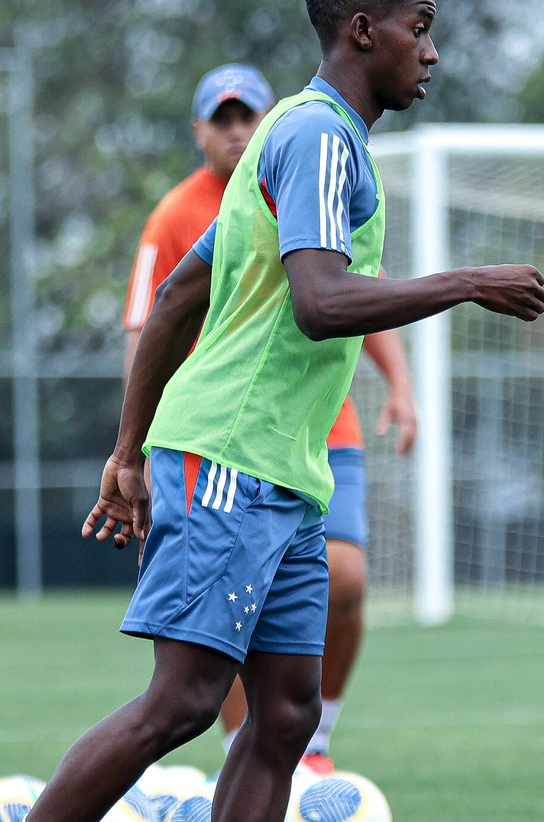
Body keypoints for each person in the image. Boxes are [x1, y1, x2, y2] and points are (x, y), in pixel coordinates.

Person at [0, 0, 544, 822]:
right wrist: (465, 281)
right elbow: (318, 302)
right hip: (229, 459)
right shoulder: (315, 135)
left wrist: (126, 450)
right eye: (420, 26)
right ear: (363, 30)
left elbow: (181, 291)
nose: (433, 52)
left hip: (283, 472)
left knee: (285, 713)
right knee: (182, 704)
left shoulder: (304, 138)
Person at [121, 64, 418, 775]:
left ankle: (313, 744)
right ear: (198, 131)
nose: (234, 130)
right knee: (207, 648)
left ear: (265, 121)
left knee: (345, 580)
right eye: (219, 118)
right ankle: (238, 753)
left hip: (321, 424)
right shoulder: (174, 214)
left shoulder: (317, 169)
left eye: (244, 115)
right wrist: (134, 445)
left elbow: (352, 290)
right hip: (227, 433)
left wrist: (400, 384)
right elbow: (154, 315)